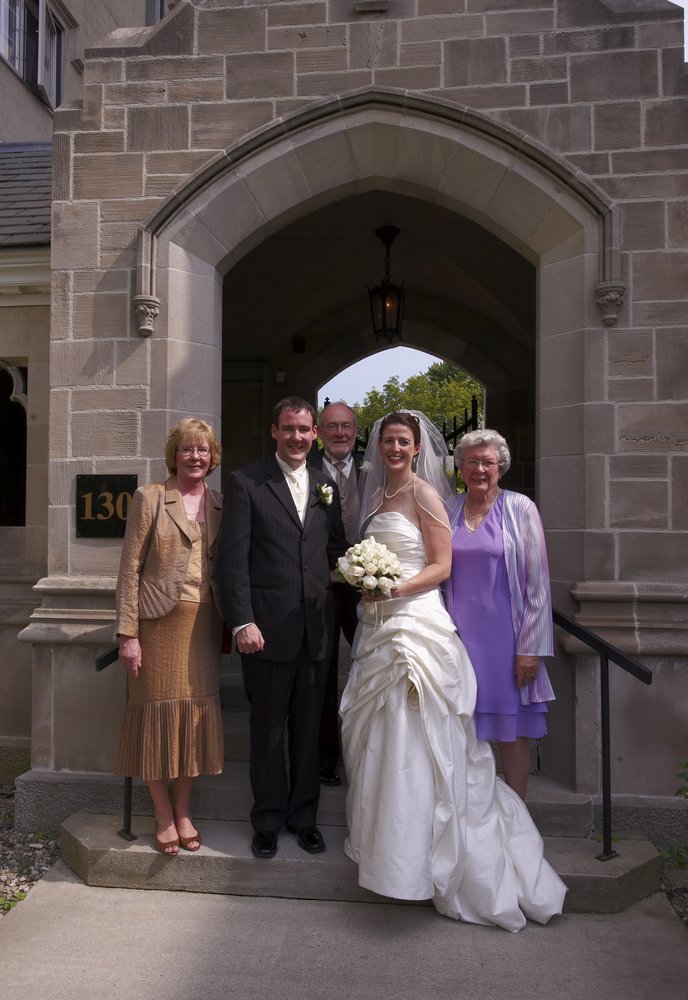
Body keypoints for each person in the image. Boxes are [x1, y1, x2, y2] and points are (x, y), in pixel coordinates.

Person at [339, 411, 566, 931]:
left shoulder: (428, 495)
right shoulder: (376, 499)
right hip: (388, 627)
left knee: (433, 735)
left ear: (418, 448)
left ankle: (440, 848)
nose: (395, 448)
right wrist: (361, 576)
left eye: (404, 441)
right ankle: (387, 842)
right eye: (387, 441)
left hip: (417, 621)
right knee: (379, 732)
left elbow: (441, 566)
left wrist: (389, 588)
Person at [218, 396, 347, 859]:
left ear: (315, 435)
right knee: (268, 729)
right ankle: (268, 818)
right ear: (274, 431)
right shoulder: (247, 483)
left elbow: (334, 550)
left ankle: (304, 816)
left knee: (310, 728)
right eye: (288, 429)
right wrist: (242, 622)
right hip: (265, 631)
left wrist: (369, 574)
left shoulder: (324, 483)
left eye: (304, 430)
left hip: (316, 630)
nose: (297, 437)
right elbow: (231, 561)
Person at [113, 418, 224, 857]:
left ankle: (183, 812)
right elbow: (128, 570)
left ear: (212, 457)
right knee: (156, 719)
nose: (195, 457)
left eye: (203, 450)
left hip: (204, 627)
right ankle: (161, 815)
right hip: (157, 627)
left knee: (192, 722)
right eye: (187, 450)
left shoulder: (220, 502)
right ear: (173, 455)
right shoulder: (150, 497)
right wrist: (128, 634)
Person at [447, 429, 555, 800]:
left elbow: (538, 583)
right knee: (461, 728)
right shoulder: (448, 508)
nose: (480, 469)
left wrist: (531, 648)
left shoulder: (520, 508)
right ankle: (470, 815)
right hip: (458, 640)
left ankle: (517, 816)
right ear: (460, 467)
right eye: (472, 462)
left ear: (501, 468)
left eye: (488, 462)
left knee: (512, 732)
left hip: (507, 641)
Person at [308, 401, 362, 786]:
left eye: (346, 426)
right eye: (331, 426)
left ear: (356, 431)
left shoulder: (376, 469)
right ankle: (326, 758)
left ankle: (366, 754)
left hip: (369, 589)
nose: (339, 433)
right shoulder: (303, 473)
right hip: (322, 587)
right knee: (321, 673)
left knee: (371, 669)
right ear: (319, 433)